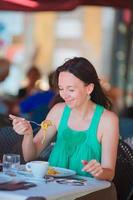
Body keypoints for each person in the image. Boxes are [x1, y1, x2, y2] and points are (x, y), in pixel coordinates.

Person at [9, 57, 119, 181]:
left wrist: (99, 171)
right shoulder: (58, 111)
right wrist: (28, 134)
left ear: (89, 88)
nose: (64, 95)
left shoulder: (107, 120)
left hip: (88, 192)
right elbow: (30, 156)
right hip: (54, 188)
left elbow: (109, 173)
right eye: (61, 88)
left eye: (71, 89)